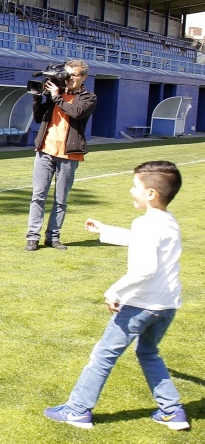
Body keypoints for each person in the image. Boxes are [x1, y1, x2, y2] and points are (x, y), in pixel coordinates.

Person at [44, 161, 189, 431]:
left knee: (103, 355)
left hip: (141, 305)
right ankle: (172, 411)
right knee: (148, 353)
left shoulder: (146, 224)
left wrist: (114, 291)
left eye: (135, 186)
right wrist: (105, 230)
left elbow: (144, 269)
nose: (131, 191)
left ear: (151, 194)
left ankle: (77, 410)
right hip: (166, 306)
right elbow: (141, 239)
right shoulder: (168, 222)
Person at [25, 59, 97, 251]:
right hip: (45, 151)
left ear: (84, 77)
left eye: (73, 75)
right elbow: (39, 117)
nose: (69, 78)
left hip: (69, 154)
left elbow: (76, 112)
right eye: (67, 74)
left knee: (60, 199)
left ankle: (53, 237)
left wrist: (57, 96)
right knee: (38, 196)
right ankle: (33, 237)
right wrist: (37, 98)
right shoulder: (56, 92)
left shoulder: (88, 98)